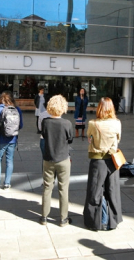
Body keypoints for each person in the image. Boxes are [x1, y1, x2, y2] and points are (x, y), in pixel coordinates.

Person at [84, 97, 122, 231]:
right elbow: (118, 138)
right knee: (112, 190)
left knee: (95, 190)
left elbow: (89, 138)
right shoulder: (117, 123)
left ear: (99, 108)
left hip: (97, 160)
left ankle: (96, 221)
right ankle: (112, 220)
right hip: (112, 160)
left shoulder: (93, 123)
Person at [39, 95, 73, 227]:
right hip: (63, 158)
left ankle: (44, 217)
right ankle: (63, 219)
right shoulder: (67, 124)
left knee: (47, 187)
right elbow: (70, 140)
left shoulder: (45, 122)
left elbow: (44, 136)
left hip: (48, 158)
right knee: (63, 189)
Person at [0, 90, 23, 190]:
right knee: (9, 160)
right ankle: (7, 184)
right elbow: (21, 125)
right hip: (12, 139)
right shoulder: (17, 109)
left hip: (1, 139)